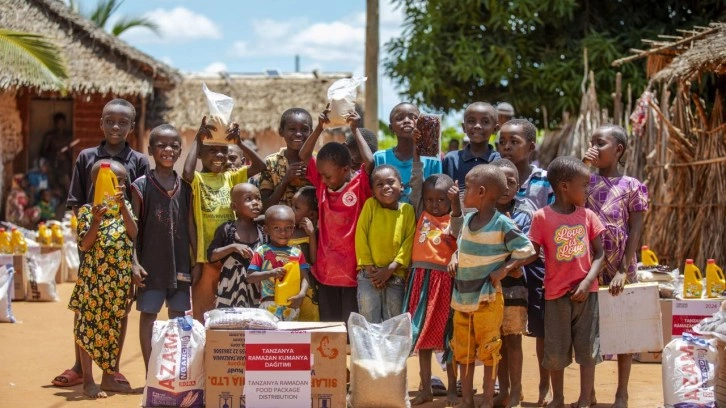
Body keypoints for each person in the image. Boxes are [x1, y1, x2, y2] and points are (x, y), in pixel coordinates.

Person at [54, 98, 147, 390]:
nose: (115, 127)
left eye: (122, 122)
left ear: (132, 126)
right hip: (93, 248)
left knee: (117, 311)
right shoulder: (86, 157)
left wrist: (133, 259)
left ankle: (112, 369)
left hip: (121, 251)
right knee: (86, 309)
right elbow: (77, 203)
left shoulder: (139, 161)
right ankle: (80, 367)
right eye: (109, 121)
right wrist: (87, 238)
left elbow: (137, 216)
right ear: (101, 123)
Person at [450, 164, 535, 408]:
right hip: (462, 299)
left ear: (482, 191)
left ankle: (487, 400)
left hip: (487, 299)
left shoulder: (502, 224)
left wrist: (505, 269)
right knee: (463, 352)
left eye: (467, 187)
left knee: (489, 350)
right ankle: (467, 400)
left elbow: (527, 249)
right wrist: (453, 258)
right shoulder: (467, 220)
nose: (463, 192)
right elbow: (459, 245)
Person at [527, 156, 605, 408]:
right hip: (555, 295)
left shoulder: (589, 216)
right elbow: (531, 251)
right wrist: (510, 263)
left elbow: (600, 254)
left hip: (587, 293)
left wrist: (587, 281)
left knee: (587, 349)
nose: (587, 190)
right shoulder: (541, 217)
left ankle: (585, 398)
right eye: (583, 185)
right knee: (556, 350)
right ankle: (558, 398)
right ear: (564, 186)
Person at [583, 124, 648, 408]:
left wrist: (623, 269)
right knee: (589, 328)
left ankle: (622, 392)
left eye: (601, 143)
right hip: (590, 265)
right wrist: (583, 167)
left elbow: (635, 229)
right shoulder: (584, 182)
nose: (594, 147)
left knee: (623, 329)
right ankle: (590, 392)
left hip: (622, 264)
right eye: (592, 142)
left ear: (618, 150)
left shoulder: (632, 185)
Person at [182, 116, 266, 323]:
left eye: (224, 151)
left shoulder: (232, 177)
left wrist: (238, 143)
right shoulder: (198, 179)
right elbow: (186, 172)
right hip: (205, 256)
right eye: (212, 150)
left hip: (233, 255)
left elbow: (261, 164)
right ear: (200, 154)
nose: (220, 155)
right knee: (204, 309)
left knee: (231, 308)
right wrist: (197, 139)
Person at [68, 160, 137, 399]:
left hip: (117, 282)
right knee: (88, 328)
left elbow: (133, 233)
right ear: (96, 183)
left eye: (121, 182)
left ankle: (109, 375)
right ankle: (88, 379)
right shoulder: (87, 211)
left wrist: (123, 208)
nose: (117, 186)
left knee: (112, 329)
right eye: (111, 181)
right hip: (93, 281)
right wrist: (96, 220)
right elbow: (85, 245)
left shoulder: (125, 207)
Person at [298, 107, 374, 324]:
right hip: (326, 271)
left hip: (353, 272)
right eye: (321, 174)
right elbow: (304, 155)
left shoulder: (360, 185)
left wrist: (355, 130)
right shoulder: (323, 185)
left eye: (328, 175)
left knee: (352, 330)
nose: (323, 179)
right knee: (330, 330)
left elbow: (370, 162)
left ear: (346, 168)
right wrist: (319, 128)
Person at [498, 118, 553, 405]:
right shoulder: (492, 177)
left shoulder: (544, 179)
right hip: (503, 266)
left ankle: (544, 385)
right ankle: (505, 388)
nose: (507, 147)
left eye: (514, 142)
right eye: (503, 142)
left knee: (541, 326)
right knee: (508, 329)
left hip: (538, 263)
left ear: (531, 146)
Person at [130, 124, 193, 373]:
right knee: (149, 316)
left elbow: (190, 227)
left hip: (180, 265)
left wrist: (195, 262)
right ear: (150, 150)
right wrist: (134, 262)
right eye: (161, 145)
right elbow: (132, 229)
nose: (167, 149)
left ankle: (175, 375)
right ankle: (150, 374)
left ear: (180, 151)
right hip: (150, 266)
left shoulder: (186, 187)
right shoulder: (141, 185)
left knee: (178, 318)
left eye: (173, 146)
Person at [405, 143, 462, 406]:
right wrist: (417, 156)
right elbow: (416, 183)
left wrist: (456, 202)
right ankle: (425, 387)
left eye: (441, 200)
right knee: (423, 335)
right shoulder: (421, 213)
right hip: (420, 280)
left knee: (449, 336)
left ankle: (452, 388)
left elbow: (460, 230)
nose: (435, 204)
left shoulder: (455, 219)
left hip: (445, 282)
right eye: (430, 200)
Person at [490, 158, 532, 408]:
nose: (506, 186)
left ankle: (516, 390)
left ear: (519, 185)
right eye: (501, 181)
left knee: (513, 338)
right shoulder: (482, 211)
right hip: (489, 287)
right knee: (496, 339)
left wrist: (510, 266)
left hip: (515, 285)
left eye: (512, 181)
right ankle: (503, 389)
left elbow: (528, 248)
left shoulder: (525, 211)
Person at [355, 165, 416, 323]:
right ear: (373, 191)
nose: (386, 187)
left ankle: (391, 349)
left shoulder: (407, 211)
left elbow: (408, 242)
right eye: (379, 185)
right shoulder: (370, 206)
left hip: (395, 276)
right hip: (369, 276)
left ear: (401, 186)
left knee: (393, 321)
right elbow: (361, 236)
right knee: (369, 320)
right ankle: (370, 348)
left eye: (390, 182)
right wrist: (370, 269)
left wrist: (390, 269)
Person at [207, 183, 266, 308]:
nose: (255, 203)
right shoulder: (227, 230)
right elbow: (211, 256)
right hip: (229, 291)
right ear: (234, 206)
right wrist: (233, 247)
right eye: (248, 199)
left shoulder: (263, 232)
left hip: (256, 292)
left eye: (258, 198)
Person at [248, 205, 311, 320]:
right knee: (269, 337)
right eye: (276, 228)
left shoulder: (297, 253)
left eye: (288, 228)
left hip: (291, 305)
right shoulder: (261, 251)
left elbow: (305, 277)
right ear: (266, 229)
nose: (283, 232)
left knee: (290, 337)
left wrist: (301, 295)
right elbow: (250, 277)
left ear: (293, 229)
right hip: (269, 305)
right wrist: (271, 273)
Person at [373, 102, 441, 203]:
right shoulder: (379, 158)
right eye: (400, 118)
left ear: (422, 123)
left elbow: (438, 193)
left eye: (413, 117)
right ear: (391, 128)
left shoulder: (432, 160)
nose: (407, 121)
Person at [443, 102, 500, 207]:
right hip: (456, 220)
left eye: (485, 122)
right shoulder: (451, 160)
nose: (477, 126)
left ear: (495, 129)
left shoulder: (499, 162)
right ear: (464, 127)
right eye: (471, 121)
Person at [258, 108, 314, 209]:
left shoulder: (318, 162)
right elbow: (265, 207)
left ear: (311, 133)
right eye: (292, 129)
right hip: (280, 223)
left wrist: (313, 175)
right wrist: (285, 180)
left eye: (304, 129)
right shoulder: (271, 163)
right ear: (281, 132)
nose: (298, 134)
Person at [289, 186, 319, 321]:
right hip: (288, 284)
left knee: (308, 320)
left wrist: (312, 235)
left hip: (307, 287)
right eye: (291, 206)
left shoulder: (312, 233)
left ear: (311, 215)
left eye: (296, 208)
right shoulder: (286, 230)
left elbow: (313, 260)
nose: (291, 210)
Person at [40, 112, 74, 192]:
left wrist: (67, 152)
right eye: (59, 123)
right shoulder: (49, 136)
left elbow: (73, 154)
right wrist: (54, 154)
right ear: (55, 124)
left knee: (67, 186)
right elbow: (42, 152)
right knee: (52, 187)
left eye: (63, 123)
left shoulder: (68, 136)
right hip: (52, 164)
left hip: (65, 167)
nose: (61, 125)